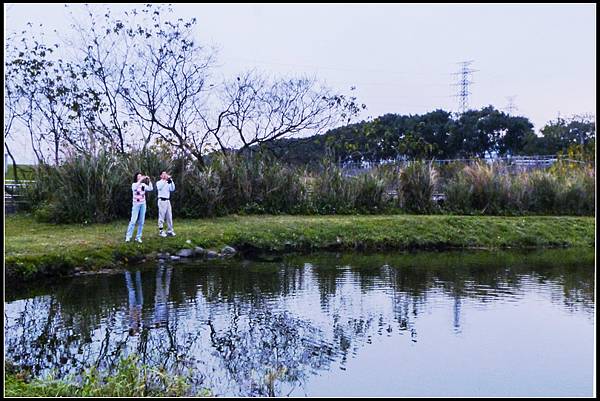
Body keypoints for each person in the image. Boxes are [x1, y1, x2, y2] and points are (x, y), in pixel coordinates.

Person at [125, 172, 153, 243]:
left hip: (143, 204)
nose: (140, 177)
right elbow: (134, 188)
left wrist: (149, 180)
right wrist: (140, 180)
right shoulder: (134, 184)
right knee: (133, 221)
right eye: (139, 176)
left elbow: (150, 188)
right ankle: (128, 237)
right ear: (136, 177)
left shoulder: (143, 185)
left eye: (141, 176)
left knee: (141, 221)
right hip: (136, 204)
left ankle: (138, 237)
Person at [156, 171, 176, 237]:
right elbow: (160, 187)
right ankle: (161, 231)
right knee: (161, 216)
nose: (165, 175)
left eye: (165, 174)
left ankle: (170, 230)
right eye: (163, 174)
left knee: (169, 216)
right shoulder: (159, 182)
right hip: (161, 200)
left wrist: (171, 181)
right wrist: (165, 180)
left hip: (167, 201)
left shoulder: (168, 183)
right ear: (160, 176)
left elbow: (172, 189)